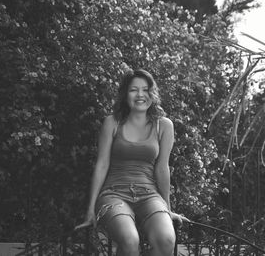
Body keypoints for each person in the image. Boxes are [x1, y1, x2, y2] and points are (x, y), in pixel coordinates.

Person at [76, 69, 187, 256]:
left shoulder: (164, 125)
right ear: (125, 94)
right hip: (113, 194)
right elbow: (102, 164)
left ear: (152, 94)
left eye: (145, 89)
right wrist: (90, 209)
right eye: (133, 90)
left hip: (149, 195)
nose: (140, 95)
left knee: (166, 241)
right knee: (130, 240)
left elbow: (162, 168)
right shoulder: (112, 123)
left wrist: (167, 209)